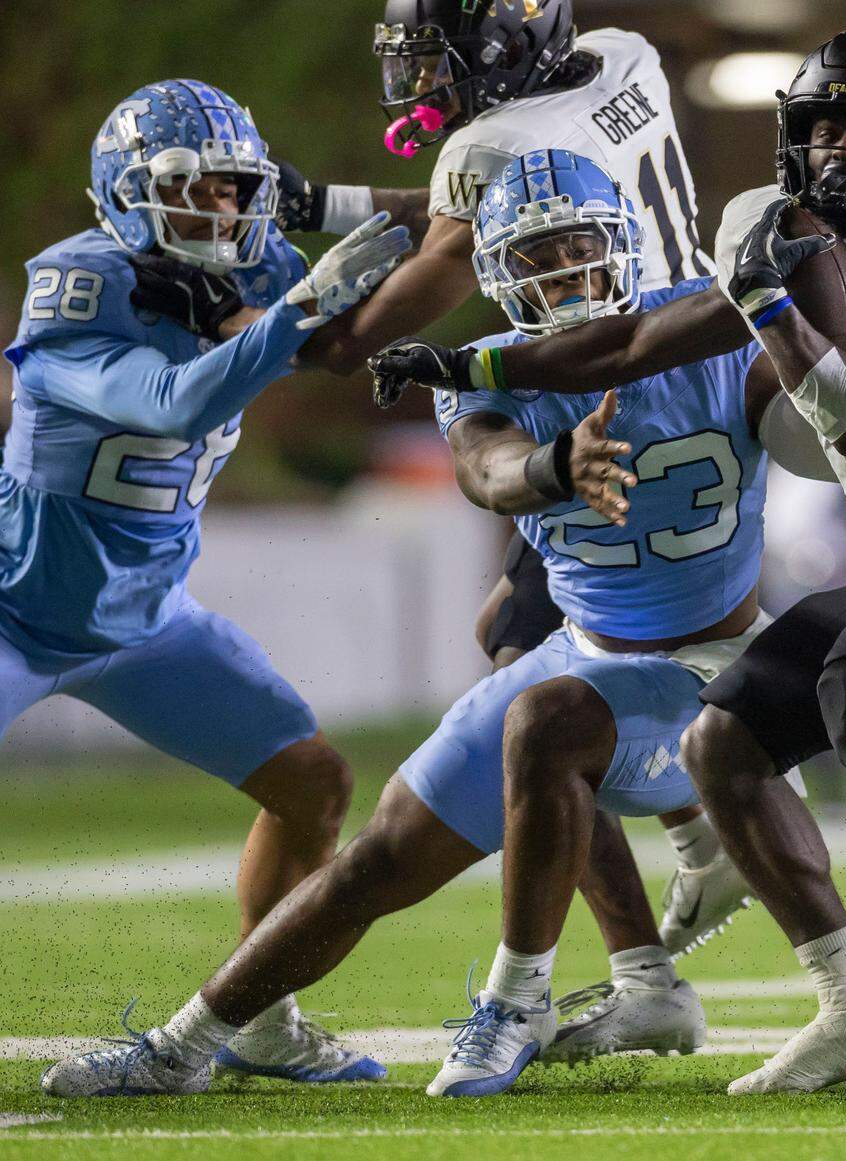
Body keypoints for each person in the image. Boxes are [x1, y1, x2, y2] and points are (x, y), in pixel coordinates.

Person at [43, 150, 846, 1101]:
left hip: (714, 662)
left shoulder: (709, 327)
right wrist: (554, 469)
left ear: (623, 243)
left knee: (547, 720)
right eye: (538, 256)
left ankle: (518, 996)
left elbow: (815, 374)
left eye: (581, 243)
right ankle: (182, 1044)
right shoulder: (486, 372)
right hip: (594, 651)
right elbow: (486, 470)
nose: (568, 270)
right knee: (380, 856)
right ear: (497, 275)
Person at [374, 30, 846, 1090]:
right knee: (727, 737)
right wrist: (474, 357)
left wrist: (765, 309)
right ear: (793, 138)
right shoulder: (766, 226)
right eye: (828, 128)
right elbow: (630, 343)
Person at [132, 0, 760, 1012]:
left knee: (528, 661)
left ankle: (645, 948)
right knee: (522, 637)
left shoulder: (498, 141)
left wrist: (291, 333)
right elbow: (474, 200)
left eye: (438, 64)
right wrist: (320, 201)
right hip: (687, 366)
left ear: (505, 50)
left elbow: (428, 267)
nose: (423, 89)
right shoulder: (620, 60)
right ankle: (687, 850)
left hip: (605, 382)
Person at [3, 78, 412, 1089]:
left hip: (146, 623)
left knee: (310, 783)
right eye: (195, 191)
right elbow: (171, 404)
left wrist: (330, 206)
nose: (222, 213)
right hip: (16, 612)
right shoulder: (79, 282)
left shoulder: (261, 258)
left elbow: (439, 218)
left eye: (239, 191)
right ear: (125, 191)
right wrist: (300, 308)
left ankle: (262, 1016)